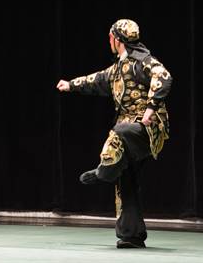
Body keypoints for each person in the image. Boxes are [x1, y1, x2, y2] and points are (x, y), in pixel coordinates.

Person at [56, 19, 172, 248]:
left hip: (146, 129)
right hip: (131, 133)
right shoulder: (118, 68)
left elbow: (164, 77)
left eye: (110, 37)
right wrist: (70, 85)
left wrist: (150, 108)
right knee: (126, 180)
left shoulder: (143, 61)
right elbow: (96, 80)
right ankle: (131, 235)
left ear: (116, 40)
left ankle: (104, 170)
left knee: (119, 132)